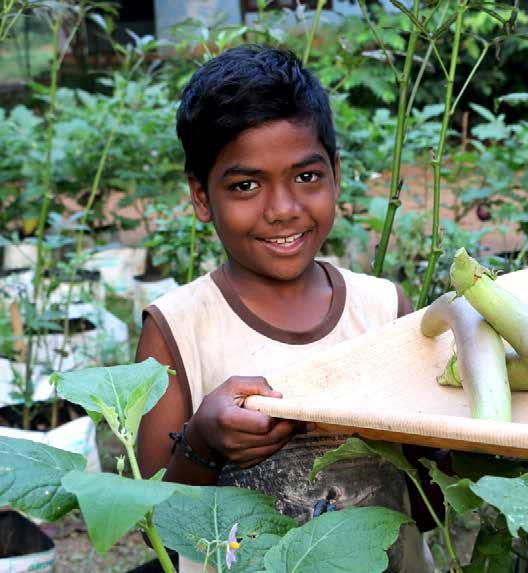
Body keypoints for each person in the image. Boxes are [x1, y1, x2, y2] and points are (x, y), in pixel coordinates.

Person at [135, 45, 435, 572]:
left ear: (335, 174)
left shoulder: (384, 309)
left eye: (306, 177)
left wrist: (425, 434)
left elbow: (428, 509)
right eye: (245, 185)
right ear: (202, 197)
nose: (283, 210)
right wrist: (204, 443)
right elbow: (156, 529)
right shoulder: (178, 329)